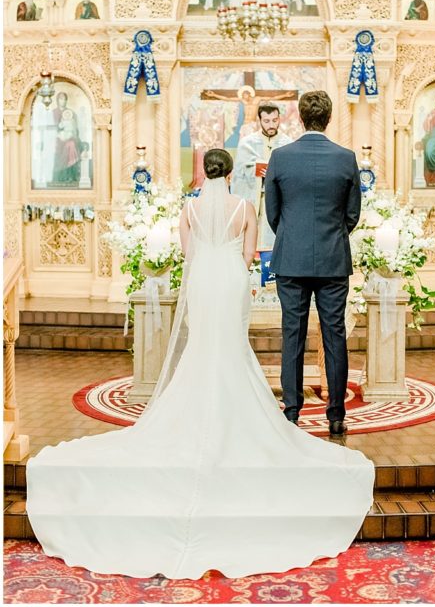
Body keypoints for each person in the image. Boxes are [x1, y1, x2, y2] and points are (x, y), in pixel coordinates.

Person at [26, 148, 374, 578]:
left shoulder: (188, 209)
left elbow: (188, 255)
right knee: (231, 346)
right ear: (228, 173)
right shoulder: (244, 207)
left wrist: (208, 262)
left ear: (203, 172)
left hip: (204, 281)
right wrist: (229, 264)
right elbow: (248, 255)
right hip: (229, 278)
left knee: (203, 346)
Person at [265, 91, 361, 435]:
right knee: (335, 335)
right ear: (329, 118)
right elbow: (352, 214)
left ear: (300, 118)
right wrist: (331, 236)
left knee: (293, 334)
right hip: (334, 259)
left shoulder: (280, 157)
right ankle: (336, 415)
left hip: (291, 259)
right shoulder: (346, 158)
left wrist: (292, 236)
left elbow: (273, 214)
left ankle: (292, 410)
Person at [232, 102, 294, 251]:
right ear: (259, 121)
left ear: (279, 119)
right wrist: (257, 169)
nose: (271, 125)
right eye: (266, 121)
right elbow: (238, 174)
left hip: (278, 200)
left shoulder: (288, 144)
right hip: (254, 199)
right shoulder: (247, 144)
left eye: (275, 120)